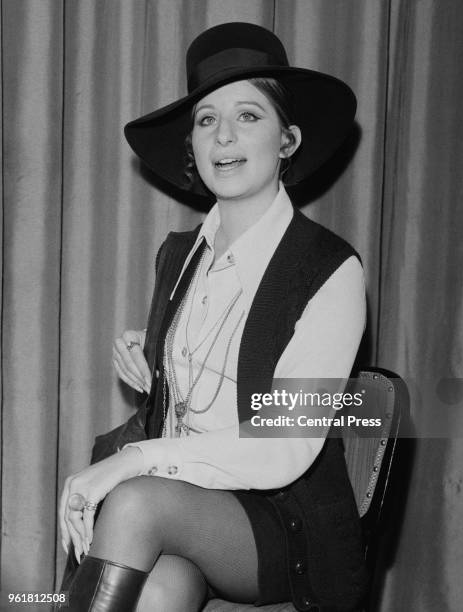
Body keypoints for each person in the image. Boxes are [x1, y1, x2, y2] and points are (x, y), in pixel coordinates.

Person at [59, 22, 367, 612]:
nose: (223, 135)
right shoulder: (179, 255)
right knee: (156, 593)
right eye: (206, 119)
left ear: (287, 139)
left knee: (132, 502)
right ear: (193, 146)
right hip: (183, 505)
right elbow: (196, 388)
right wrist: (157, 355)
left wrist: (136, 459)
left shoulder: (330, 269)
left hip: (280, 519)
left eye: (249, 115)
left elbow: (286, 444)